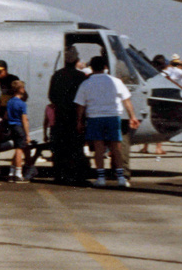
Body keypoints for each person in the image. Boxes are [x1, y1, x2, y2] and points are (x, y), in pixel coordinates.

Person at [74, 56, 140, 188]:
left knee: (98, 148)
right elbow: (126, 100)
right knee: (116, 147)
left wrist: (79, 121)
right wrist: (132, 116)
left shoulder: (86, 83)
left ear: (91, 67)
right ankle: (121, 177)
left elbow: (80, 105)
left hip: (94, 117)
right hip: (113, 117)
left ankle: (101, 177)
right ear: (106, 67)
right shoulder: (116, 81)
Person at [48, 46, 90, 185]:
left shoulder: (57, 75)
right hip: (75, 117)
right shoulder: (80, 77)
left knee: (60, 148)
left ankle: (60, 175)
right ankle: (77, 176)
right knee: (76, 148)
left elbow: (51, 96)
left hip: (60, 116)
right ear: (76, 60)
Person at [3, 81, 32, 183]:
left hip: (11, 127)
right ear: (20, 90)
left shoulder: (9, 102)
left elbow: (6, 116)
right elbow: (24, 119)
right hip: (19, 127)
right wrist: (27, 134)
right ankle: (18, 174)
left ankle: (11, 173)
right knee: (19, 150)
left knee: (16, 150)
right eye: (23, 88)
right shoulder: (22, 104)